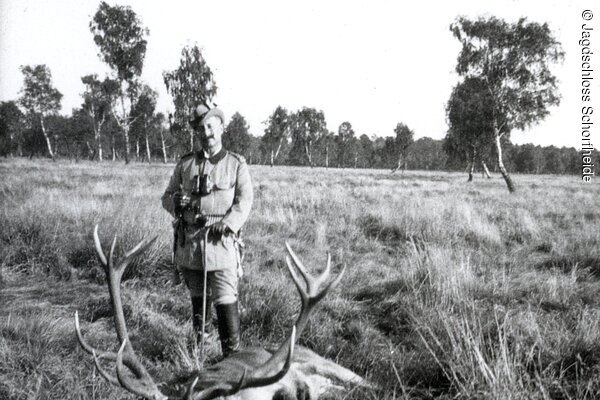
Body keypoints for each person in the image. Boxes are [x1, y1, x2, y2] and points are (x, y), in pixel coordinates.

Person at [161, 104, 253, 357]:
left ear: (221, 128)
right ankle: (199, 359)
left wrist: (229, 223)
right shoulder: (186, 164)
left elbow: (245, 201)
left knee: (225, 301)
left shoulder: (235, 164)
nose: (207, 133)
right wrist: (176, 203)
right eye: (201, 128)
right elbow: (166, 196)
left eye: (211, 126)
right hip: (191, 247)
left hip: (221, 246)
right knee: (198, 301)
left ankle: (232, 361)